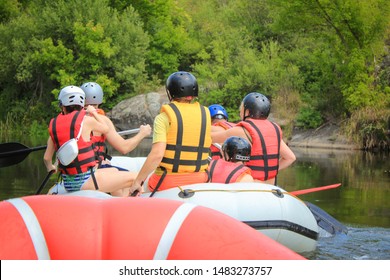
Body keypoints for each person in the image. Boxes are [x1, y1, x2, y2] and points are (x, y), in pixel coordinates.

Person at [43, 85, 142, 196]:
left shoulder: (54, 125)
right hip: (86, 181)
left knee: (113, 171)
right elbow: (106, 128)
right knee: (137, 177)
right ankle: (125, 208)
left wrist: (51, 167)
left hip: (67, 183)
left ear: (62, 106)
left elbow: (47, 158)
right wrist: (94, 113)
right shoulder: (87, 121)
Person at [131, 71, 212, 195]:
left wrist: (138, 181)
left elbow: (157, 154)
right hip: (200, 179)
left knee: (136, 187)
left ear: (170, 93)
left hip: (167, 181)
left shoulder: (163, 118)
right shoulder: (205, 115)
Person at [211, 92, 296, 185]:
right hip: (271, 186)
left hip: (251, 185)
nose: (240, 112)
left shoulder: (241, 131)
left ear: (247, 112)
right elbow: (290, 158)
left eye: (241, 109)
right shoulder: (274, 129)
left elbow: (210, 138)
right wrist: (272, 169)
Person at [80, 82, 151, 167]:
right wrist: (142, 133)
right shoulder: (102, 120)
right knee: (134, 178)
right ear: (99, 100)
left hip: (76, 171)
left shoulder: (73, 119)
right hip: (93, 169)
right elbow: (124, 148)